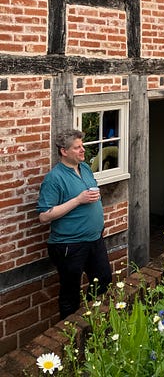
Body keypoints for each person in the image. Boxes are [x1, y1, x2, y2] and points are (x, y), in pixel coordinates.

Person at [37, 129, 112, 319]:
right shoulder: (54, 179)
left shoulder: (85, 168)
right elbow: (44, 216)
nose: (82, 150)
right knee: (70, 293)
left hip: (94, 239)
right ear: (64, 151)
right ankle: (70, 336)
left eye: (82, 146)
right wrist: (78, 200)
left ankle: (91, 322)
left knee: (103, 280)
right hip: (69, 245)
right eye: (77, 147)